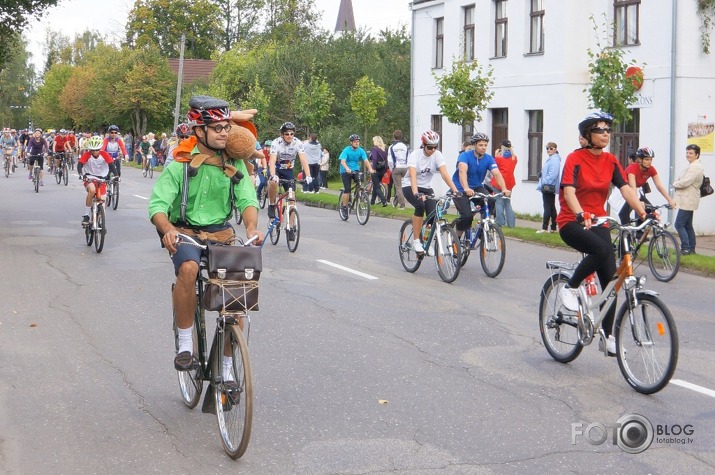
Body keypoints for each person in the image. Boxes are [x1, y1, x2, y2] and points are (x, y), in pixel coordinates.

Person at [148, 95, 263, 373]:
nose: (225, 132)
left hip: (221, 234)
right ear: (200, 131)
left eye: (226, 127)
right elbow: (158, 206)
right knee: (187, 269)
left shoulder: (233, 165)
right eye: (217, 128)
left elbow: (247, 200)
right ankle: (186, 344)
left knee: (236, 298)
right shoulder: (180, 164)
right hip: (185, 232)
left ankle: (226, 367)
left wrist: (250, 228)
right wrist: (168, 230)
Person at [557, 111, 651, 355]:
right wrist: (579, 214)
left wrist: (643, 213)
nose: (606, 134)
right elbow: (568, 191)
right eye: (600, 130)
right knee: (602, 249)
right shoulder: (574, 159)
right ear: (587, 135)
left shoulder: (610, 161)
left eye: (608, 130)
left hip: (599, 222)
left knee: (611, 281)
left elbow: (626, 189)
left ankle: (607, 337)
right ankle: (571, 286)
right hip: (571, 222)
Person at [403, 130, 460, 254]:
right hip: (410, 186)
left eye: (435, 147)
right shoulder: (415, 155)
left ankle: (426, 240)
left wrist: (455, 190)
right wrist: (416, 193)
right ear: (423, 145)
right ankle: (416, 240)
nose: (433, 150)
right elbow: (412, 175)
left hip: (426, 187)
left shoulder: (437, 155)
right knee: (420, 206)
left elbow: (444, 174)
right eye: (430, 147)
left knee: (434, 214)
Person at [451, 132, 510, 237]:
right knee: (467, 216)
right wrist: (466, 188)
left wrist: (504, 188)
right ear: (474, 145)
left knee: (491, 200)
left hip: (477, 187)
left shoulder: (488, 158)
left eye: (485, 145)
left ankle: (483, 227)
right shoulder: (465, 156)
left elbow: (497, 174)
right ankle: (457, 239)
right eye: (480, 145)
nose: (483, 148)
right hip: (460, 188)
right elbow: (462, 172)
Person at [618, 147, 676, 224]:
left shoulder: (651, 169)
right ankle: (626, 235)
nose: (649, 162)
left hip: (637, 191)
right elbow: (632, 187)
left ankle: (640, 234)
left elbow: (659, 186)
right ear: (640, 160)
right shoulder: (632, 168)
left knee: (649, 210)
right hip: (624, 191)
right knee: (624, 214)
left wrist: (670, 200)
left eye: (650, 159)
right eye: (646, 159)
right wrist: (637, 202)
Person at [267, 122, 312, 219]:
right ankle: (271, 204)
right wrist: (273, 175)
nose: (289, 136)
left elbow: (303, 160)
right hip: (276, 169)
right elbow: (272, 161)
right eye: (287, 134)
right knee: (273, 182)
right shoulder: (276, 143)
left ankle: (291, 228)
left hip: (288, 170)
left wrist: (308, 175)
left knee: (292, 198)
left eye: (292, 134)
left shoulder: (297, 143)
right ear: (282, 135)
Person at [77, 136, 119, 225]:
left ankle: (100, 221)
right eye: (92, 150)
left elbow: (111, 165)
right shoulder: (87, 155)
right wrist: (81, 174)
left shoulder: (104, 154)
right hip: (90, 178)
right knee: (92, 190)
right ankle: (86, 215)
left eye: (96, 150)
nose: (94, 152)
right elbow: (80, 164)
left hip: (101, 179)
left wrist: (116, 176)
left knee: (103, 202)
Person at [673, 144, 705, 255]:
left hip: (689, 198)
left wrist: (675, 184)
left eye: (691, 153)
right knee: (687, 225)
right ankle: (691, 248)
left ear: (697, 155)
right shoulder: (693, 165)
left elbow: (686, 181)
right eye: (687, 152)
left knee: (679, 224)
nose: (688, 155)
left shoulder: (695, 167)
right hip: (688, 198)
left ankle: (686, 248)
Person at [338, 134, 374, 212]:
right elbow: (342, 161)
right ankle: (344, 207)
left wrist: (370, 169)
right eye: (355, 142)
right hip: (345, 170)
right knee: (347, 189)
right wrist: (347, 168)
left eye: (358, 141)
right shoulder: (346, 150)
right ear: (351, 142)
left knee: (359, 183)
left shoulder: (361, 150)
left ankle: (357, 194)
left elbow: (366, 161)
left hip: (355, 170)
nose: (357, 143)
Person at [490, 139, 517, 227]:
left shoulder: (498, 158)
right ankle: (511, 224)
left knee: (499, 202)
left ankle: (500, 222)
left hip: (499, 182)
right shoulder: (514, 158)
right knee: (507, 203)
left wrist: (496, 155)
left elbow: (494, 167)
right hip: (509, 183)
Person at [536, 141, 561, 233]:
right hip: (549, 186)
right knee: (551, 207)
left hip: (548, 186)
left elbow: (553, 174)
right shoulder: (552, 159)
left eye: (551, 148)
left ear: (555, 149)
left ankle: (544, 228)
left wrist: (545, 182)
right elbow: (548, 172)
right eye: (547, 148)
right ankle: (554, 227)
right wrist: (541, 175)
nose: (549, 150)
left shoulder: (554, 159)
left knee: (547, 207)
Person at [388, 130, 409, 208]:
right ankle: (395, 202)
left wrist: (391, 169)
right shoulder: (405, 146)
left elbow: (390, 160)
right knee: (403, 185)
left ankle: (402, 204)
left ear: (394, 137)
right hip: (405, 167)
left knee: (398, 186)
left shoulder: (392, 147)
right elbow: (408, 157)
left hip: (396, 167)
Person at [369, 135, 389, 206]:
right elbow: (386, 160)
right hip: (383, 170)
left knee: (377, 187)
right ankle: (372, 202)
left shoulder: (374, 149)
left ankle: (384, 201)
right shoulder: (384, 149)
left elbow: (374, 159)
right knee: (375, 185)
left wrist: (373, 168)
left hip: (376, 170)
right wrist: (386, 170)